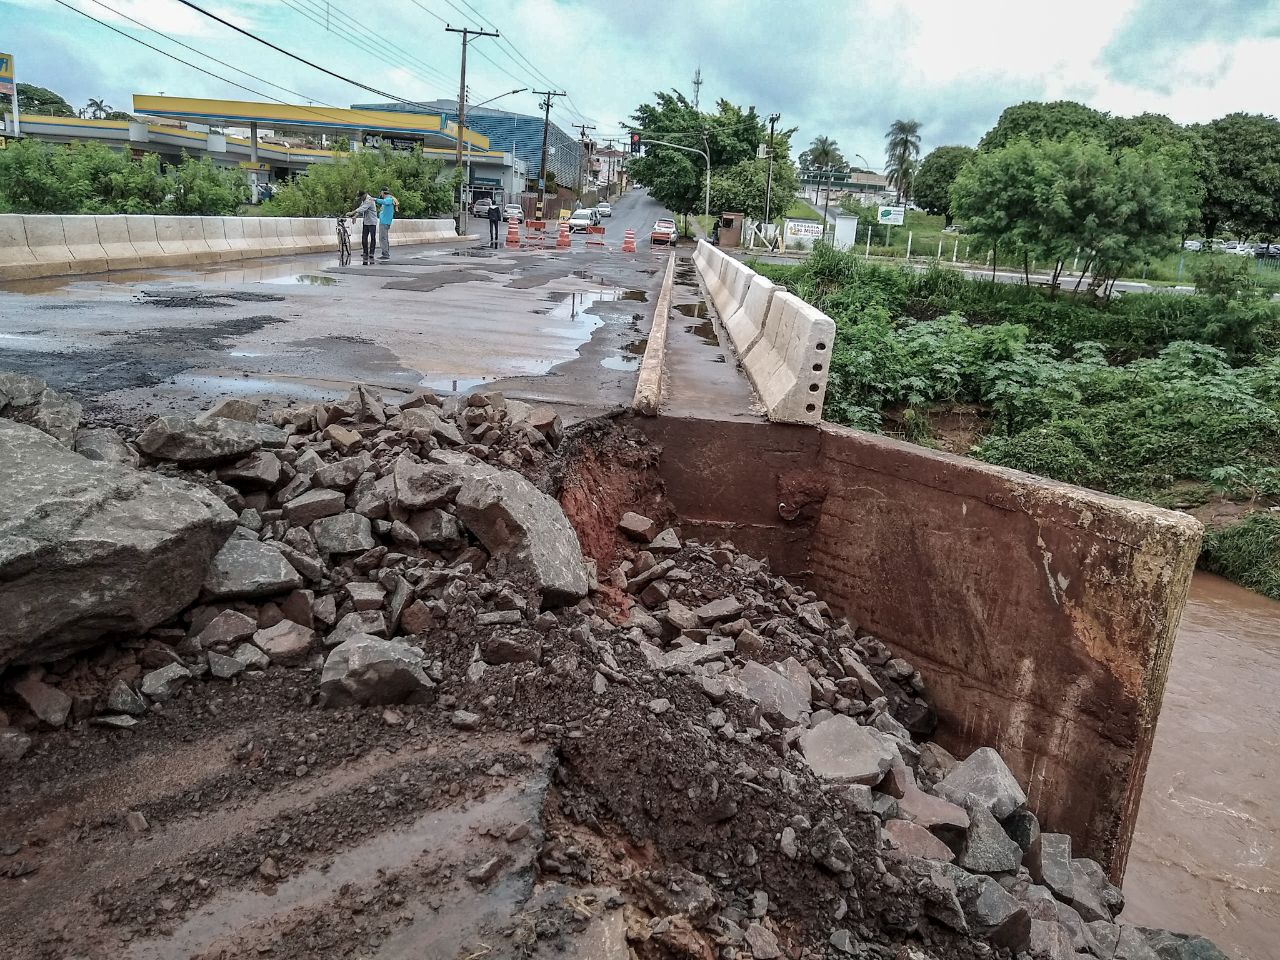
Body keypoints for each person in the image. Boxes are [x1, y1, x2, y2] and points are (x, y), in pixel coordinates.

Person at [345, 191, 378, 265]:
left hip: (372, 221)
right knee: (364, 237)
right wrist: (355, 216)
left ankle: (371, 253)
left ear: (364, 195)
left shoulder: (369, 199)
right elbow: (360, 208)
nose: (360, 199)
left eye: (360, 198)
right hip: (366, 221)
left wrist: (352, 212)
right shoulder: (364, 200)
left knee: (373, 237)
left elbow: (363, 208)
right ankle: (365, 252)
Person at [374, 187, 398, 261]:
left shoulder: (389, 199)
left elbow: (385, 202)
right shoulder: (388, 199)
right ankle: (385, 253)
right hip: (384, 221)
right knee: (384, 238)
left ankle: (385, 254)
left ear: (382, 192)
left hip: (385, 222)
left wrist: (375, 199)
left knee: (383, 238)